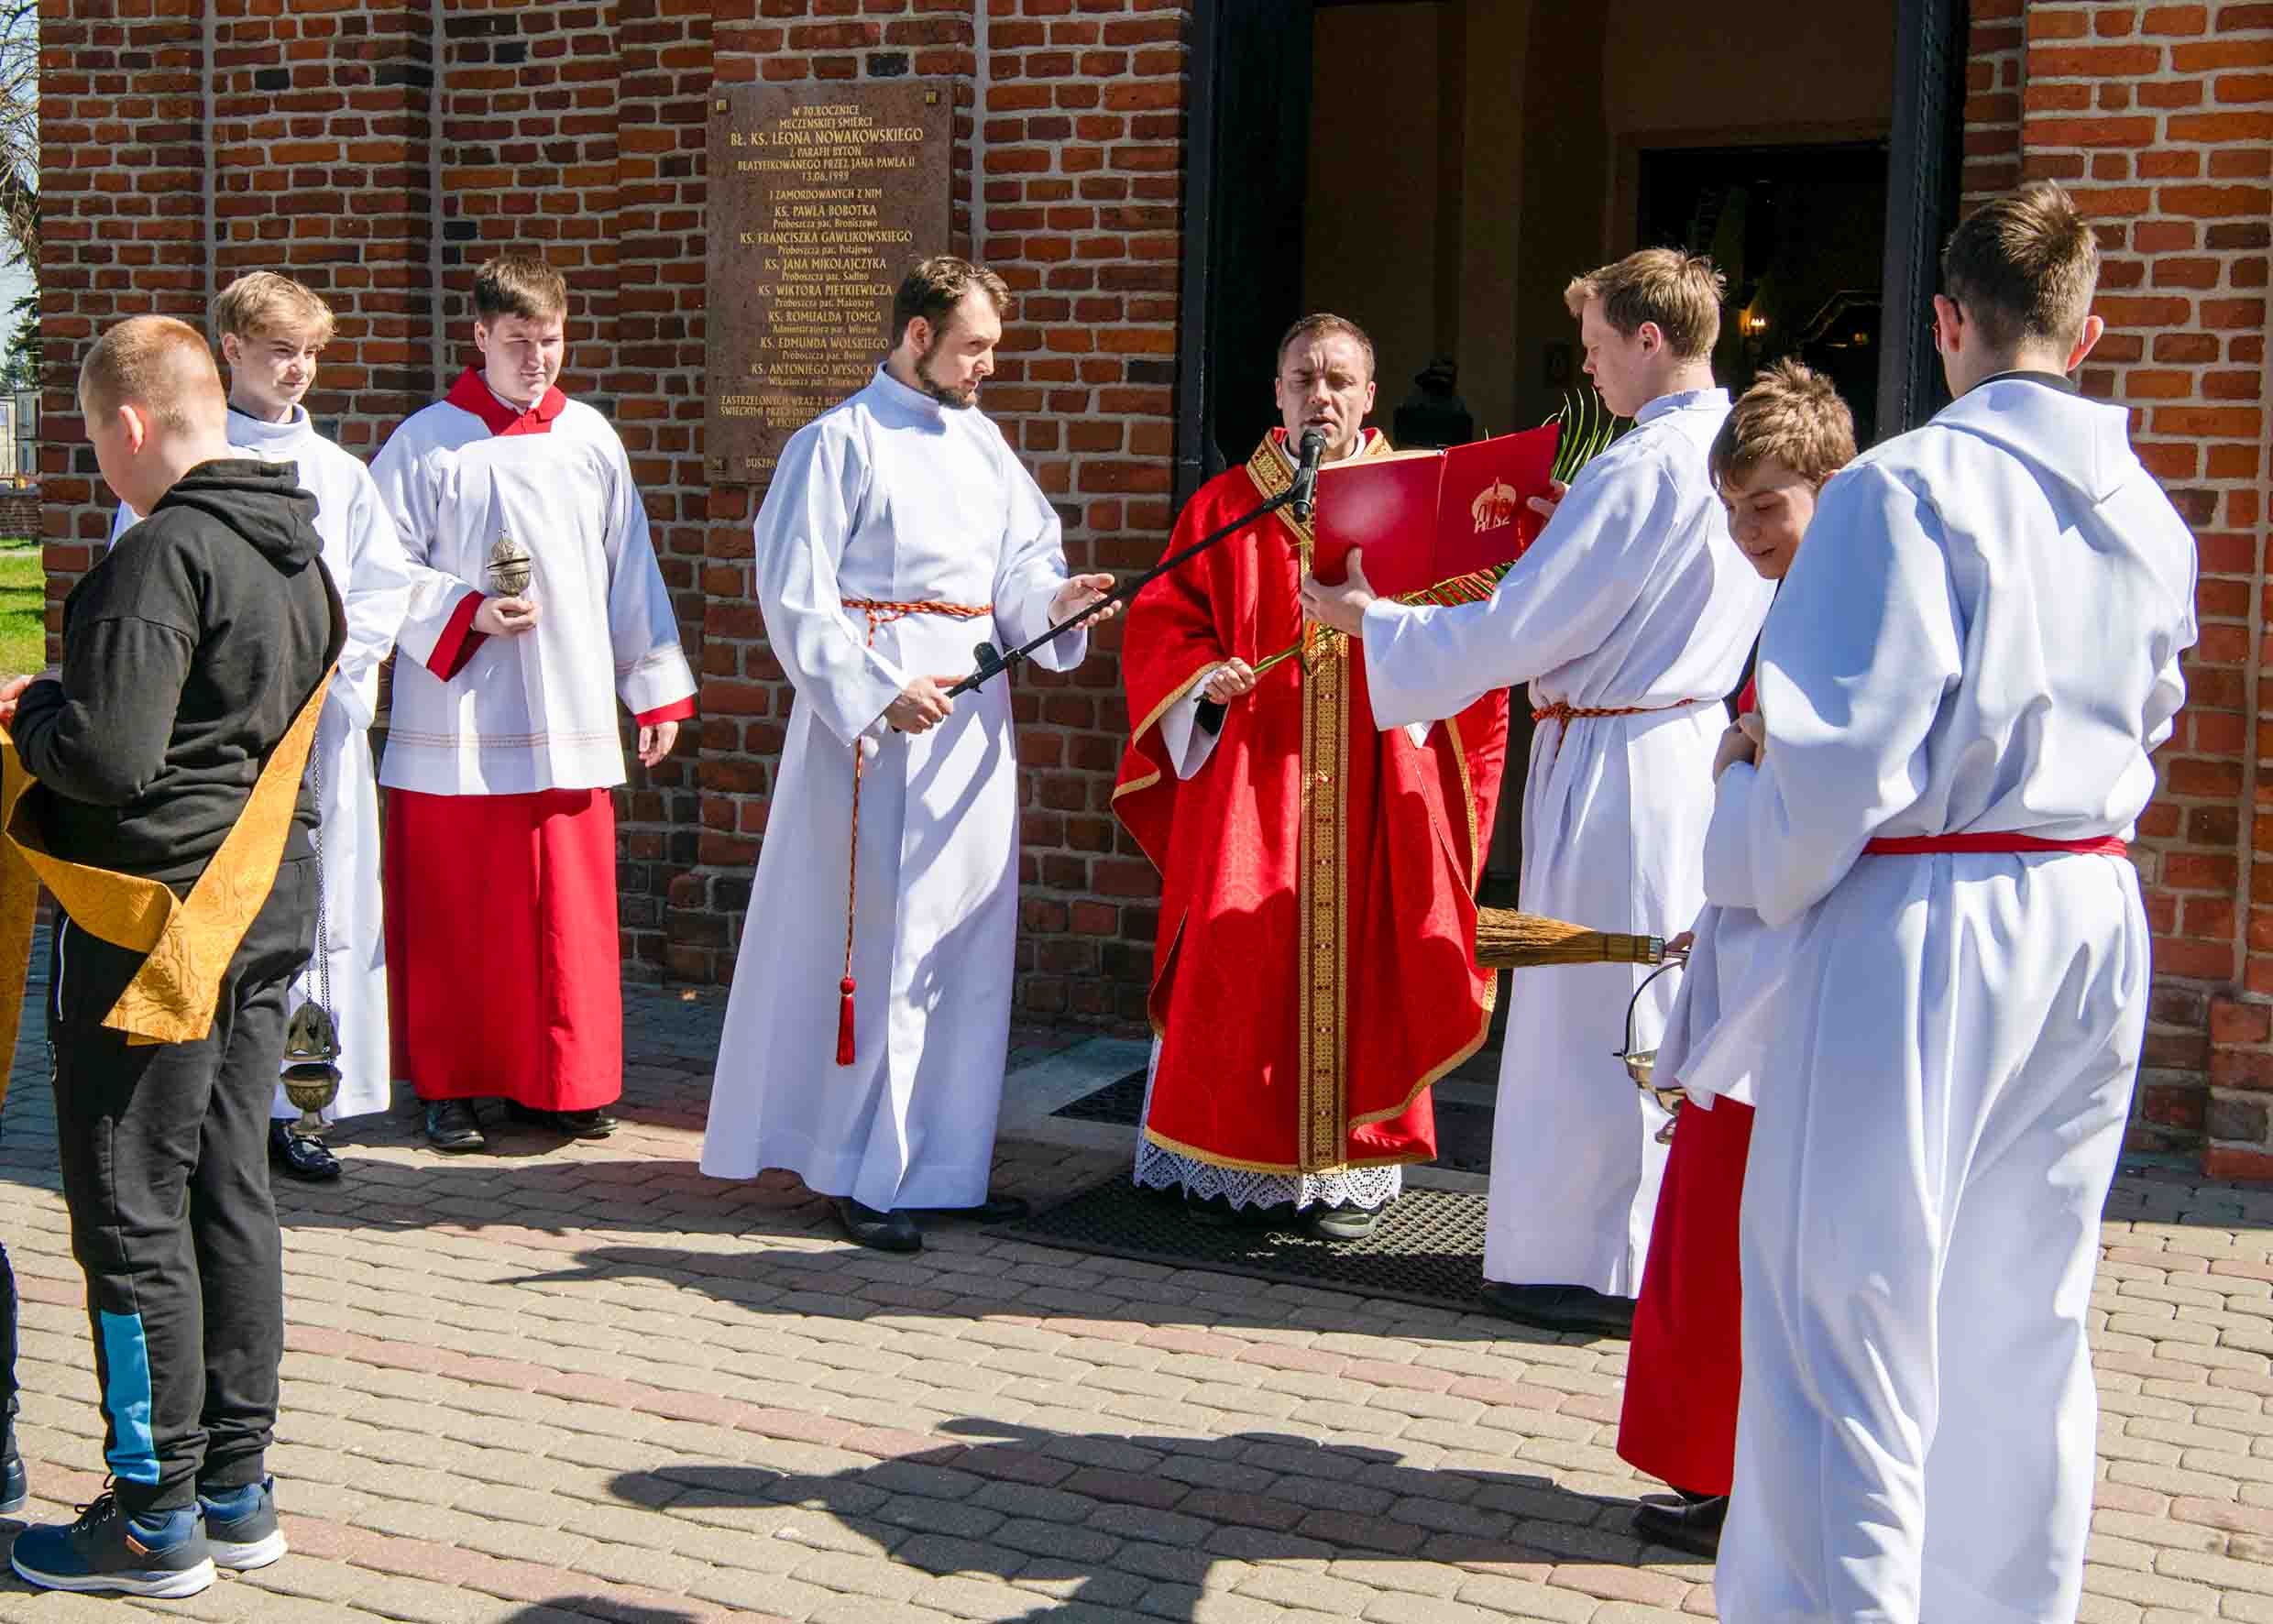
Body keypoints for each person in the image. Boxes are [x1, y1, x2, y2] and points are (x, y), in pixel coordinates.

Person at [1707, 182, 2197, 1622]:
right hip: (2090, 905)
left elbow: (1835, 770)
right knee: (2021, 1322)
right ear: (2085, 333)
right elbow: (2156, 713)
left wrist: (1734, 818)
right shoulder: (2151, 514)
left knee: (1846, 1316)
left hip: (1923, 919)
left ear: (1942, 322)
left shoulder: (1900, 490)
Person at [1301, 250, 1772, 1333]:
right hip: (1674, 745)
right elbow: (1621, 586)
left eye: (1596, 346)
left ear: (1647, 338)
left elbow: (1520, 631)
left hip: (1617, 767)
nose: (1588, 368)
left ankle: (1596, 1263)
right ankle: (1621, 1250)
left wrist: (1372, 620)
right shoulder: (1729, 447)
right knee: (1641, 1002)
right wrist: (1564, 535)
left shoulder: (1638, 467)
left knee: (1600, 1015)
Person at [4, 315, 343, 1595]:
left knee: (127, 1202)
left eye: (98, 437)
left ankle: (152, 1512)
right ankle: (236, 1488)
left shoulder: (161, 555)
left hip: (153, 928)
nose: (102, 462)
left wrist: (37, 711)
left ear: (133, 423)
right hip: (259, 908)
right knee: (226, 1190)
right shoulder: (297, 549)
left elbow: (106, 756)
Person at [700, 257, 1116, 1252]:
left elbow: (1020, 570)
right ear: (918, 336)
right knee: (879, 949)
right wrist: (878, 690)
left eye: (992, 349)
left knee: (963, 947)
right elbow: (792, 595)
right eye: (973, 347)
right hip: (876, 732)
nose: (986, 367)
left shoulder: (984, 444)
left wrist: (1055, 603)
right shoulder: (835, 443)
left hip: (971, 721)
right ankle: (860, 1170)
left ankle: (942, 1168)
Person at [1115, 314, 1509, 1241]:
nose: (1319, 396)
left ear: (1369, 395)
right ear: (1278, 394)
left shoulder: (1416, 502)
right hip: (1248, 783)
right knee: (1236, 959)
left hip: (1374, 775)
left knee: (1366, 959)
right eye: (1303, 379)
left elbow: (1476, 637)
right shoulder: (1225, 505)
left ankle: (1345, 1171)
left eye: (1338, 380)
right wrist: (1200, 679)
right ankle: (1213, 1157)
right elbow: (1163, 618)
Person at [370, 253, 696, 1154]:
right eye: (517, 341)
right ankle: (452, 1085)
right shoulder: (427, 443)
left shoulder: (589, 437)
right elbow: (376, 569)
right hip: (460, 719)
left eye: (550, 339)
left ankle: (565, 1081)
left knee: (565, 912)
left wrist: (653, 690)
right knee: (460, 910)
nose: (537, 358)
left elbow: (629, 567)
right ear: (479, 337)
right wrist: (466, 610)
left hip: (571, 710)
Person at [1612, 360, 1855, 1558]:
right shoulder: (1797, 599)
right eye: (1733, 510)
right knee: (1714, 1232)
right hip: (1756, 936)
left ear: (1829, 488)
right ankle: (1724, 1474)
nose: (1749, 532)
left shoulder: (1842, 611)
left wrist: (1737, 767)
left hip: (1796, 972)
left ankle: (1739, 1485)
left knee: (1738, 1239)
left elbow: (1816, 796)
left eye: (1769, 505)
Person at [108, 273, 413, 1183]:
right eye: (282, 350)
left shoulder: (341, 474)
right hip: (225, 737)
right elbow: (143, 575)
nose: (299, 370)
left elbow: (381, 589)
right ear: (231, 348)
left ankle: (300, 1105)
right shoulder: (184, 459)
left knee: (319, 916)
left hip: (319, 728)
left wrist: (332, 669)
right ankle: (203, 1100)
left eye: (311, 354)